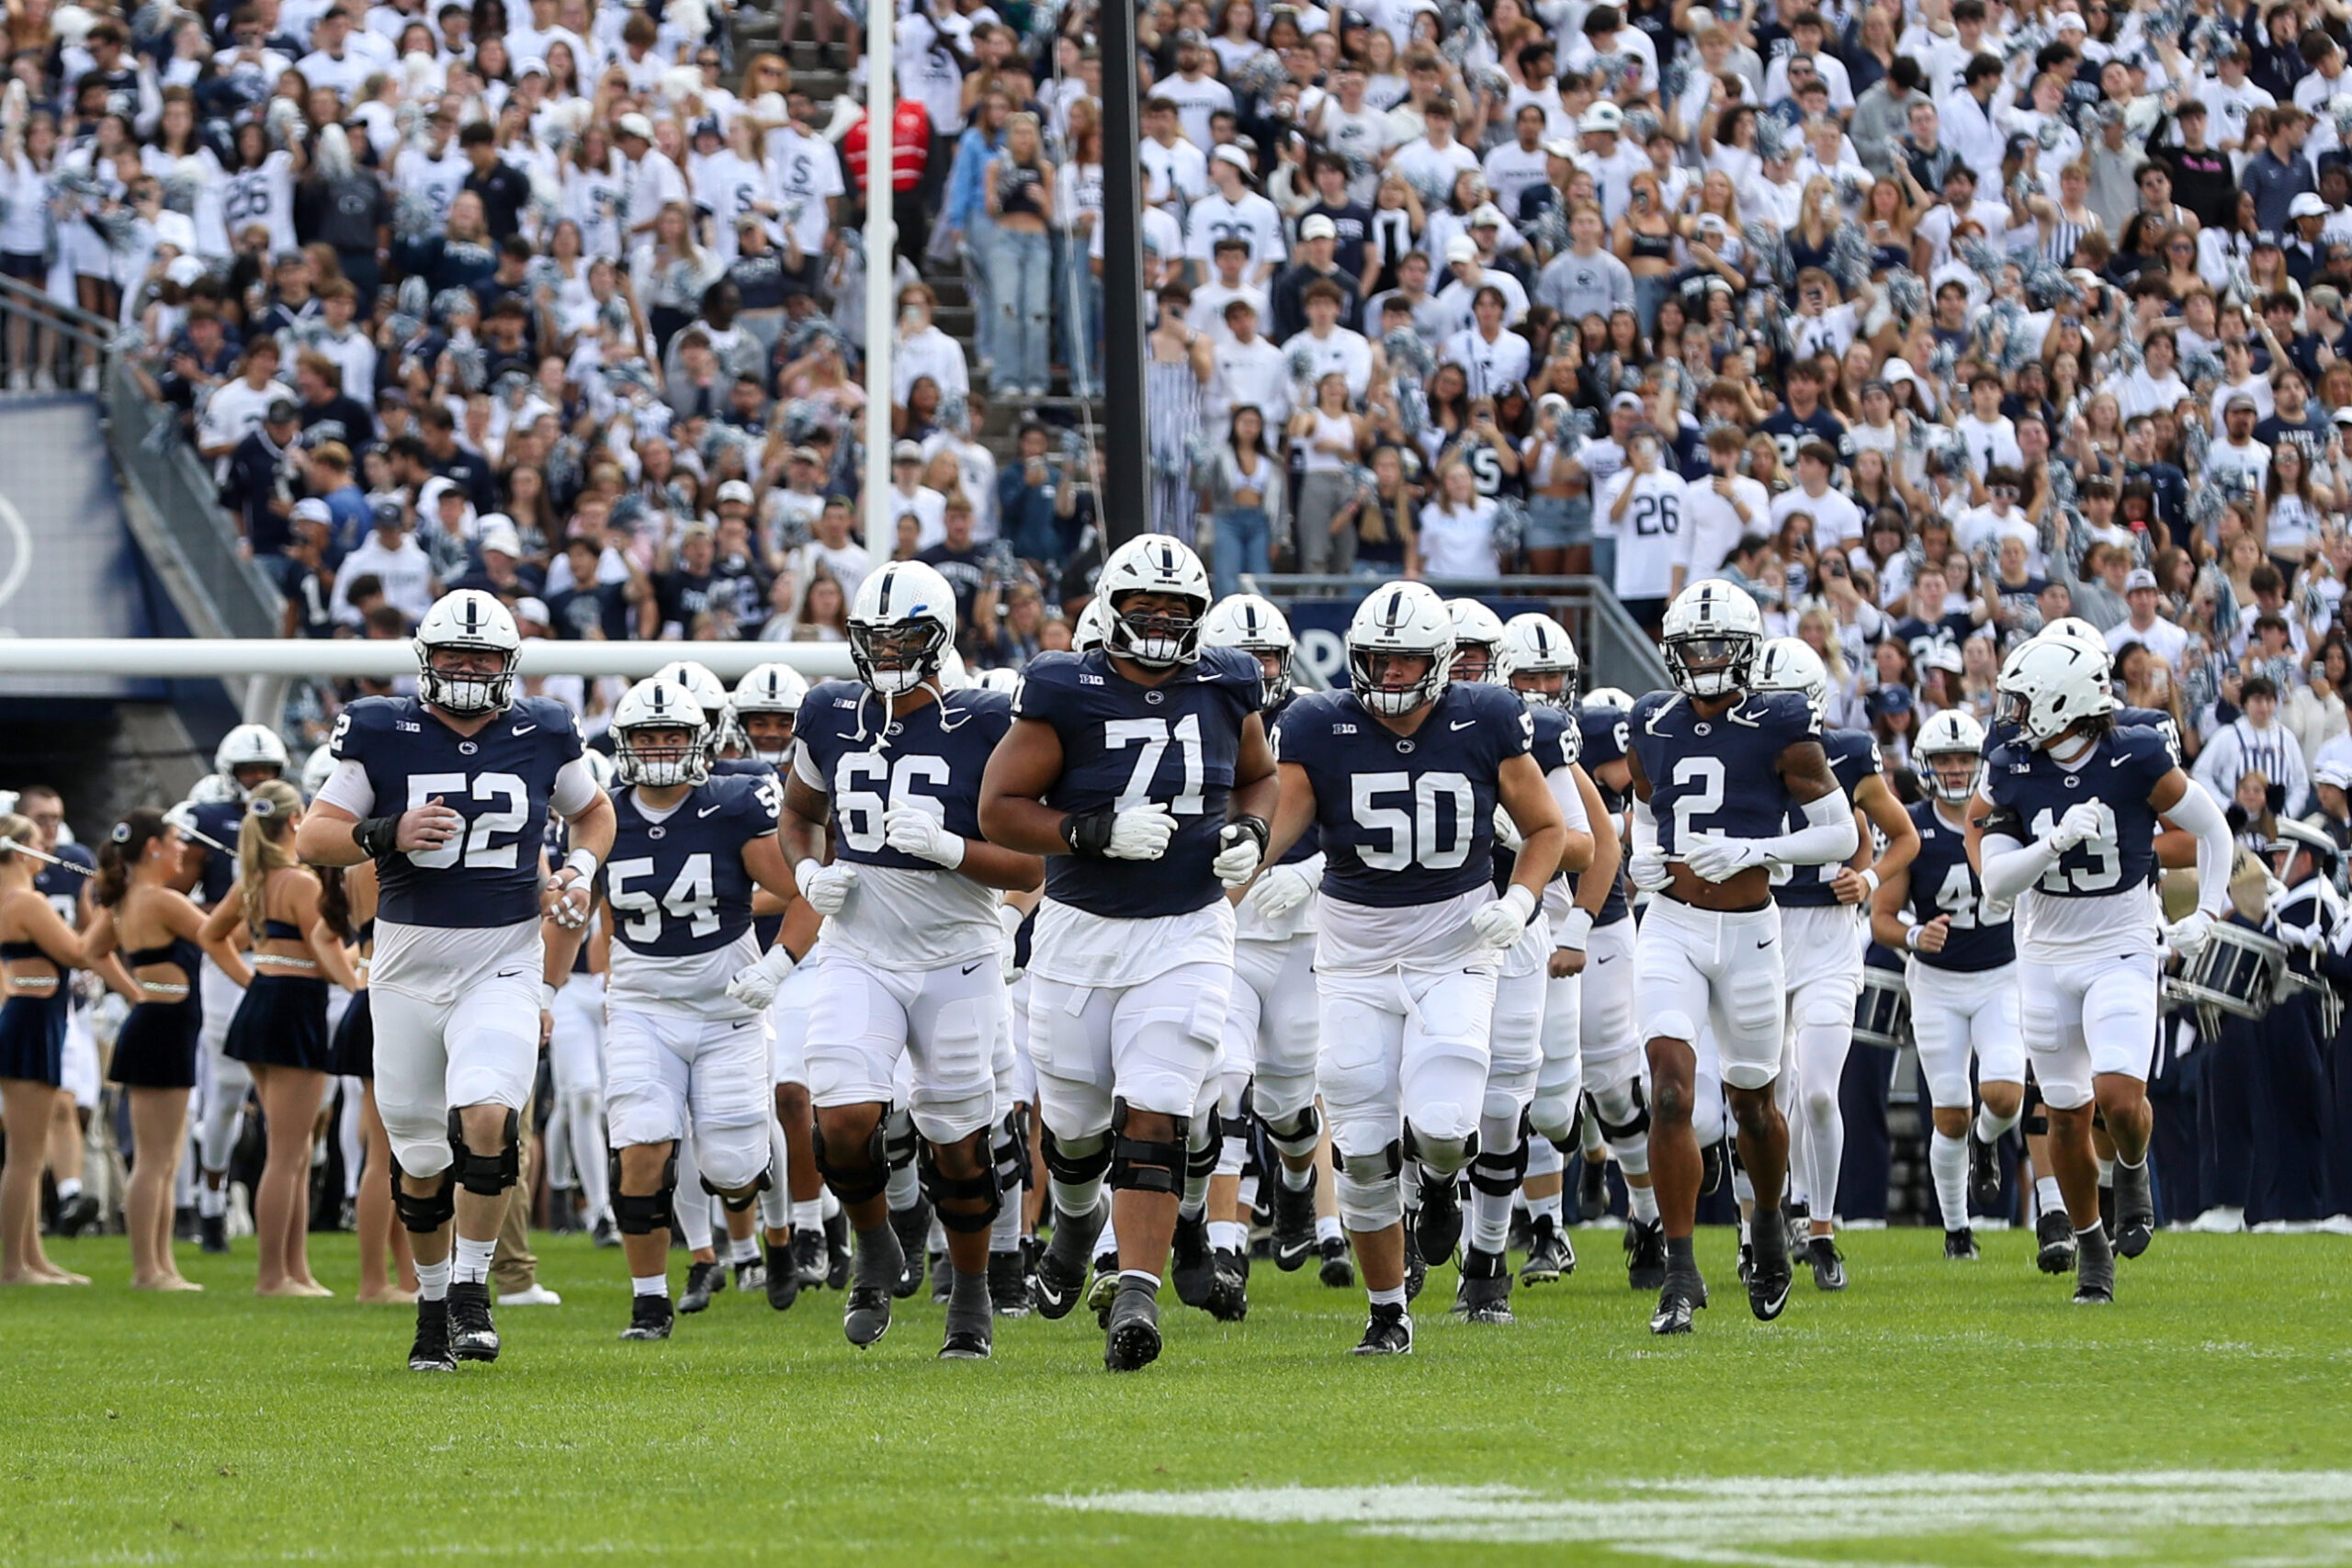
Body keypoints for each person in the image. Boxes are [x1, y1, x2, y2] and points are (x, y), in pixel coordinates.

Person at [978, 535, 1278, 1371]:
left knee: (1156, 1110)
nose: (1160, 621)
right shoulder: (1064, 688)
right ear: (1110, 608)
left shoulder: (1225, 681)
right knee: (1074, 1131)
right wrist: (1086, 830)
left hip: (1187, 928)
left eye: (1177, 609)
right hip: (1081, 932)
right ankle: (1075, 1222)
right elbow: (998, 806)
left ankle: (1137, 1294)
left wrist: (1252, 830)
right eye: (1144, 606)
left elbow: (1261, 776)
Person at [297, 590, 616, 1372]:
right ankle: (432, 1302)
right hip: (407, 963)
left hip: (502, 958)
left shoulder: (542, 728)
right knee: (416, 1153)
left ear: (508, 664)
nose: (468, 669)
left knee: (488, 1114)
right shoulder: (381, 726)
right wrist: (388, 831)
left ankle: (472, 1291)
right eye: (454, 655)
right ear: (426, 660)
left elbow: (596, 810)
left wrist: (578, 867)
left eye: (482, 657)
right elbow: (313, 836)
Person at [1257, 581, 1566, 1352]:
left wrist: (1523, 898)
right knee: (1361, 1148)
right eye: (1375, 662)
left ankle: (1436, 1182)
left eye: (1403, 663)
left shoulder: (1487, 716)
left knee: (1445, 1123)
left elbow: (1547, 828)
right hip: (1355, 957)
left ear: (1436, 662)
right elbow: (1275, 825)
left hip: (1453, 946)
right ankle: (1388, 1310)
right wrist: (1234, 868)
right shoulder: (1317, 724)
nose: (1388, 677)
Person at [781, 562, 1043, 1358]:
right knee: (842, 1118)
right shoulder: (829, 710)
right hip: (860, 946)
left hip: (956, 953)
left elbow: (1030, 868)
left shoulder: (990, 719)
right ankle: (874, 1243)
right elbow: (799, 813)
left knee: (960, 1143)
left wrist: (952, 849)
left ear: (940, 639)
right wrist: (805, 870)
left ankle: (969, 1298)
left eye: (904, 637)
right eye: (874, 638)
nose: (888, 651)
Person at [541, 677, 815, 1343]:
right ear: (625, 744)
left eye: (673, 735)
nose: (660, 748)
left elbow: (809, 889)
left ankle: (776, 1238)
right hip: (642, 1002)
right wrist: (545, 993)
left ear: (700, 742)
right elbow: (574, 918)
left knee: (730, 1165)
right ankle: (648, 1303)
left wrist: (776, 964)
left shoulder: (730, 804)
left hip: (727, 1006)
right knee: (642, 1143)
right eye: (646, 736)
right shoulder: (605, 817)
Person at [1969, 637, 2234, 1302]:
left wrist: (2206, 911)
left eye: (2025, 697)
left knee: (2120, 1101)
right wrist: (2052, 841)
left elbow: (2213, 827)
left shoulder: (2135, 752)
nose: (2012, 711)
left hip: (2121, 937)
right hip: (2044, 950)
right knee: (2064, 1115)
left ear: (2064, 698)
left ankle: (2134, 1169)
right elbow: (1998, 883)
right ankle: (2093, 1248)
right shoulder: (2012, 764)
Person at [1624, 581, 1857, 1334]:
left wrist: (1756, 848)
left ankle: (1765, 1227)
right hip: (1671, 926)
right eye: (1693, 647)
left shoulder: (1781, 724)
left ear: (1745, 650)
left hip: (1753, 931)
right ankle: (1681, 1270)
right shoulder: (1651, 720)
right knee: (1668, 1092)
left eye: (1719, 645)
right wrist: (1641, 856)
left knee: (1755, 1104)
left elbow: (1840, 836)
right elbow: (1640, 808)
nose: (1706, 658)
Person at [1750, 638, 1918, 1288]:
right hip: (1759, 929)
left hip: (1826, 935)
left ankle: (1821, 1228)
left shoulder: (1847, 753)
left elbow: (1899, 836)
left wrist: (1869, 880)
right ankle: (1771, 1217)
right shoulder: (1741, 755)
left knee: (1818, 1089)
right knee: (1768, 1089)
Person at [1201, 595, 1345, 1300]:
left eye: (1269, 659)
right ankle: (1226, 1245)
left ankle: (1294, 1183)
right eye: (1245, 659)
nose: (1260, 671)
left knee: (1291, 1100)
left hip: (1304, 936)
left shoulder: (1318, 720)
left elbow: (1355, 822)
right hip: (1227, 931)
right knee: (1225, 1079)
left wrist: (1312, 872)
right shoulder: (1191, 712)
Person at [199, 779, 362, 1297]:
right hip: (293, 1008)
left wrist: (254, 979)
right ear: (296, 822)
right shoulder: (298, 881)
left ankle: (296, 1270)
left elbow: (213, 935)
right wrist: (357, 971)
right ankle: (275, 1274)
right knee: (289, 1151)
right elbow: (325, 950)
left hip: (268, 1003)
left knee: (288, 1147)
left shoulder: (257, 879)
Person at [1870, 708, 2020, 1258]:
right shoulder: (1913, 825)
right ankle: (1957, 1230)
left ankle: (1986, 1143)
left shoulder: (2009, 813)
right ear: (1926, 765)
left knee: (2003, 1096)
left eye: (1964, 759)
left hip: (2002, 974)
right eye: (1945, 760)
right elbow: (1882, 915)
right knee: (1950, 1108)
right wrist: (1913, 935)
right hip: (1936, 982)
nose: (1956, 770)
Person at [1493, 613, 1614, 1290]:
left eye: (1551, 677)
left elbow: (1601, 844)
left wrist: (1578, 928)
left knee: (1546, 1104)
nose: (1540, 689)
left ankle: (1566, 1184)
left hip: (1544, 927)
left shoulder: (1555, 743)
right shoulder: (1473, 727)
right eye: (1527, 676)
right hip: (1468, 934)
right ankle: (1541, 1229)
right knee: (1490, 1093)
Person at [82, 808, 208, 1291]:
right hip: (162, 1026)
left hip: (160, 1023)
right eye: (175, 839)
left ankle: (161, 1264)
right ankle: (147, 1269)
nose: (182, 849)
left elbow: (93, 949)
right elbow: (221, 935)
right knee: (156, 1158)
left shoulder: (130, 899)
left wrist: (134, 991)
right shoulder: (159, 899)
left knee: (166, 1156)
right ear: (153, 847)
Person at [178, 723, 289, 1255]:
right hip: (231, 958)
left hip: (287, 956)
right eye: (250, 772)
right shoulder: (208, 821)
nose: (259, 780)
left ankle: (295, 1195)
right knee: (225, 1092)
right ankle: (212, 1198)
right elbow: (178, 894)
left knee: (295, 1093)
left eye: (267, 772)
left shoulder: (296, 814)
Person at [0, 813, 89, 1285]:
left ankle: (32, 1257)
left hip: (35, 1020)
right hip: (32, 1023)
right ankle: (14, 1265)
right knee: (26, 1154)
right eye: (38, 843)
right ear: (20, 851)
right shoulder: (26, 901)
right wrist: (105, 910)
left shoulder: (17, 899)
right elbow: (78, 953)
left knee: (29, 1152)